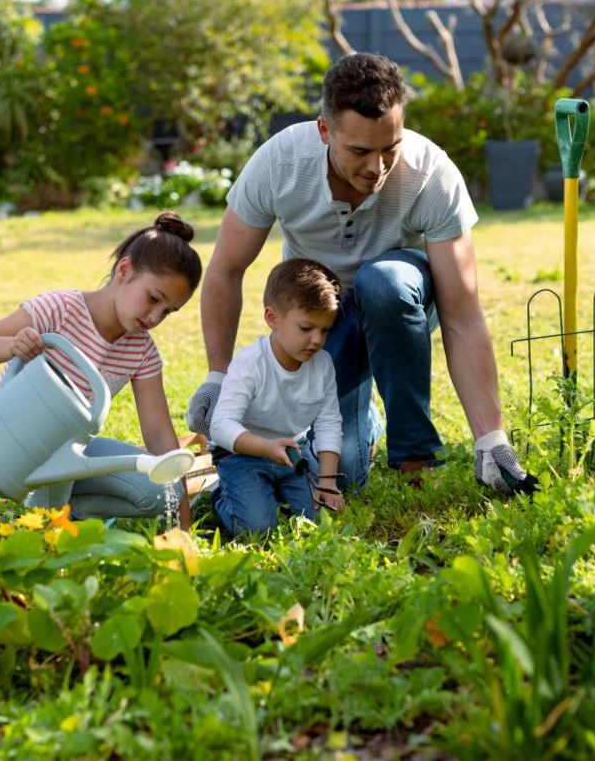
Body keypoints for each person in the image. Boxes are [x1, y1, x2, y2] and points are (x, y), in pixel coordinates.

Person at [186, 52, 535, 496]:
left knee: (382, 283)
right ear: (325, 130)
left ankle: (413, 455)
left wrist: (491, 438)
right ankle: (364, 418)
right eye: (359, 151)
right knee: (342, 471)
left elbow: (462, 312)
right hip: (328, 314)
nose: (377, 167)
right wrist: (218, 375)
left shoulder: (431, 174)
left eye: (390, 147)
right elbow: (225, 271)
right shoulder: (280, 163)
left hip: (399, 302)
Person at [0, 211, 203, 528]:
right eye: (153, 298)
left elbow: (160, 436)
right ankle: (49, 531)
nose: (155, 317)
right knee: (58, 441)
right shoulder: (60, 309)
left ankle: (67, 514)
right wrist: (11, 346)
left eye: (168, 311)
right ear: (125, 270)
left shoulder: (141, 349)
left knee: (158, 490)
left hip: (63, 453)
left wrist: (182, 526)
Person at [208, 258, 345, 536]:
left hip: (294, 451)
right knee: (258, 529)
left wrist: (328, 482)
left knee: (320, 520)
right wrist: (264, 448)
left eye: (325, 330)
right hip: (241, 453)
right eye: (306, 328)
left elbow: (329, 423)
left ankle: (272, 493)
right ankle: (222, 495)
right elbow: (221, 426)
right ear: (273, 318)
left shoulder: (323, 364)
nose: (317, 340)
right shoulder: (250, 363)